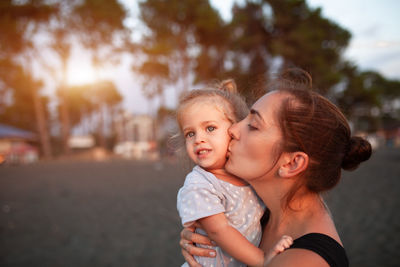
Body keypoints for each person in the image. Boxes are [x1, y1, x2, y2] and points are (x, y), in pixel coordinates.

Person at [179, 69, 372, 267]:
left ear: (291, 163)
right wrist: (207, 238)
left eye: (252, 125)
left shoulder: (304, 262)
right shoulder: (263, 208)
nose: (233, 129)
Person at [176, 80, 294, 267]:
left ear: (234, 130)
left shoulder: (247, 176)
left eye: (210, 128)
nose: (198, 139)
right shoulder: (200, 183)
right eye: (190, 133)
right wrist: (262, 260)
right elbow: (219, 231)